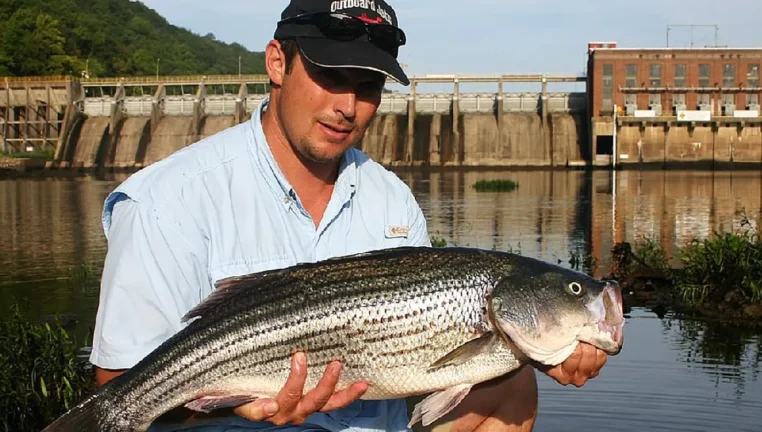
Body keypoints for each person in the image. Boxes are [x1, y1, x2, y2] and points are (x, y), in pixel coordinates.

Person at [89, 0, 609, 431]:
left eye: (368, 87)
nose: (348, 105)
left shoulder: (392, 202)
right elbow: (118, 386)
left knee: (514, 381)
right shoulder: (168, 199)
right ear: (277, 63)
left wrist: (543, 348)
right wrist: (233, 401)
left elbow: (438, 369)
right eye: (330, 76)